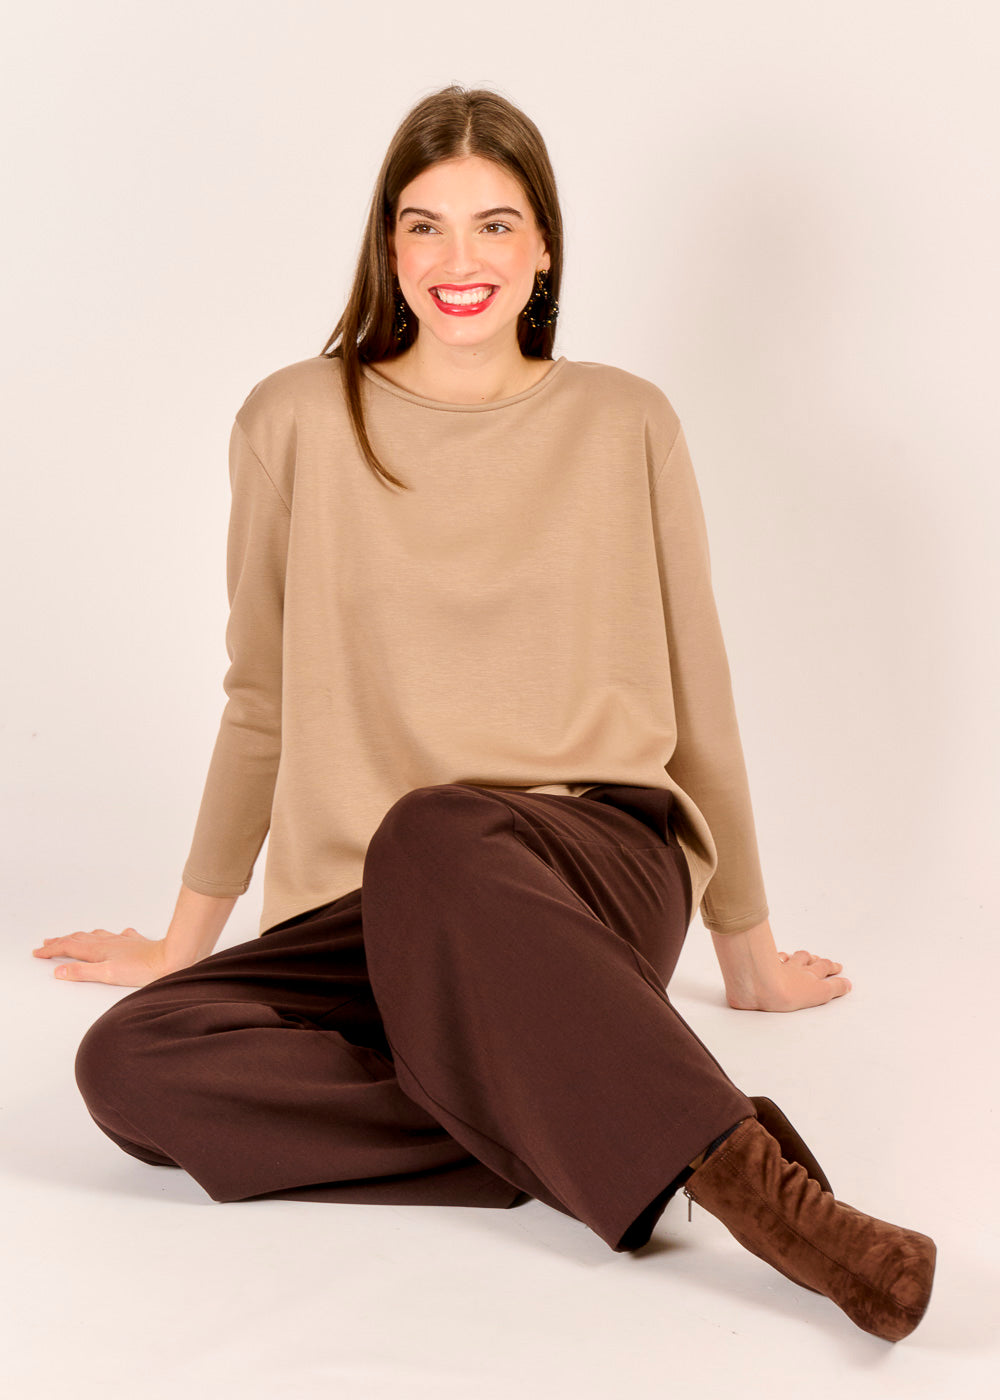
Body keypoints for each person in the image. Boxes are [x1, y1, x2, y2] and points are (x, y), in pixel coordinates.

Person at [33, 85, 934, 1341]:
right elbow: (260, 697)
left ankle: (756, 1189)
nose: (460, 259)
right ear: (388, 247)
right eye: (426, 225)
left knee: (439, 826)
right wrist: (185, 943)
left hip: (587, 866)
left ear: (544, 246)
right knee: (128, 1063)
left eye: (496, 224)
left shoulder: (626, 419)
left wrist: (748, 952)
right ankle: (572, 1117)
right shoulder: (293, 418)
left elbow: (699, 690)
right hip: (373, 913)